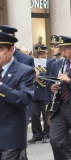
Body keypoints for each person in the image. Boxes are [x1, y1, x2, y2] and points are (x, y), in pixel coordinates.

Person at [0, 32, 35, 160]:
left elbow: (24, 98)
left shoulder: (25, 71)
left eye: (0, 49)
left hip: (11, 137)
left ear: (11, 50)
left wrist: (1, 86)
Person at [28, 46, 50, 143]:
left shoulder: (50, 63)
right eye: (38, 54)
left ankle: (46, 134)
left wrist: (40, 74)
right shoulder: (33, 63)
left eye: (42, 54)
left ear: (46, 53)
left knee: (45, 115)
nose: (40, 56)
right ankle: (36, 134)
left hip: (45, 92)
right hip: (34, 93)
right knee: (34, 114)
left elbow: (51, 76)